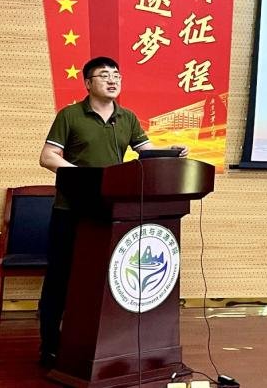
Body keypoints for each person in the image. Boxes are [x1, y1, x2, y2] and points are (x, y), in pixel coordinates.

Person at [37, 56, 187, 367]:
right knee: (60, 278)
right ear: (88, 83)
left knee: (102, 280)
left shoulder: (127, 118)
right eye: (104, 75)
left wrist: (171, 153)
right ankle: (50, 345)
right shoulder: (70, 115)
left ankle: (96, 345)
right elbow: (48, 156)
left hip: (109, 213)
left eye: (116, 75)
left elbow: (147, 154)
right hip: (71, 210)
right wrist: (84, 177)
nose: (112, 80)